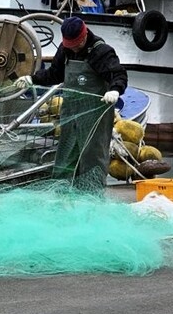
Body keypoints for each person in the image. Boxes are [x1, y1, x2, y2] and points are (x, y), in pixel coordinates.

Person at [16, 16, 128, 190]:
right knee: (66, 154)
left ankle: (92, 197)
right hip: (71, 113)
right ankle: (61, 194)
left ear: (84, 37)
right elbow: (54, 74)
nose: (73, 48)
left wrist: (115, 90)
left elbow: (119, 75)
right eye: (69, 45)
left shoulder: (101, 52)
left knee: (92, 157)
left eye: (76, 44)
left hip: (94, 116)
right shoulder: (66, 49)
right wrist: (32, 79)